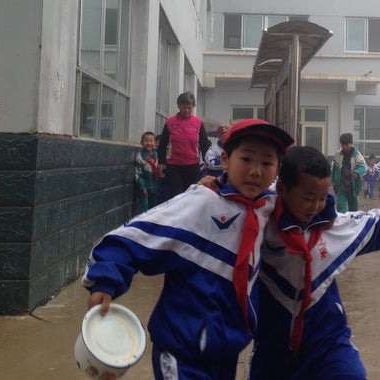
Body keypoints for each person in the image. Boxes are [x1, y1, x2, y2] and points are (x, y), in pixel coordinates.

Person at [83, 118, 294, 380]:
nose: (255, 171)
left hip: (225, 351)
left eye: (266, 163)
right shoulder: (201, 202)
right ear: (226, 160)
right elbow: (136, 235)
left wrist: (325, 206)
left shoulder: (269, 207)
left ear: (277, 171)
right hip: (182, 350)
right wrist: (105, 280)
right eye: (247, 159)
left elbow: (310, 203)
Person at [250, 146, 380, 380]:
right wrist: (214, 186)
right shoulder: (259, 221)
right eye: (308, 198)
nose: (315, 206)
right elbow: (225, 209)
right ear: (282, 189)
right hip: (272, 343)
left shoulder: (328, 225)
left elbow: (359, 225)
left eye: (321, 198)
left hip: (326, 337)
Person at [157, 91, 211, 201]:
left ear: (193, 107)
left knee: (191, 197)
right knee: (176, 197)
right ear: (178, 106)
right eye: (183, 107)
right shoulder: (170, 122)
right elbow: (162, 144)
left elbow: (204, 144)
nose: (186, 110)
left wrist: (207, 162)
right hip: (174, 167)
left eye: (189, 108)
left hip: (193, 166)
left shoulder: (198, 123)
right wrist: (161, 163)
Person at [331, 132, 366, 212]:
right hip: (341, 188)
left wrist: (357, 172)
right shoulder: (338, 154)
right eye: (342, 145)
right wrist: (334, 182)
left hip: (353, 188)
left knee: (354, 212)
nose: (344, 147)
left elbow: (362, 166)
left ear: (351, 143)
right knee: (341, 209)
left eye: (346, 145)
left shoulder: (357, 154)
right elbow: (335, 170)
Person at [134, 132, 161, 212]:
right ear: (142, 143)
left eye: (151, 141)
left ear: (155, 143)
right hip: (145, 187)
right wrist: (142, 187)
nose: (149, 143)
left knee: (154, 208)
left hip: (155, 186)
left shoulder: (158, 156)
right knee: (145, 207)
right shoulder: (140, 157)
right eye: (146, 141)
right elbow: (137, 174)